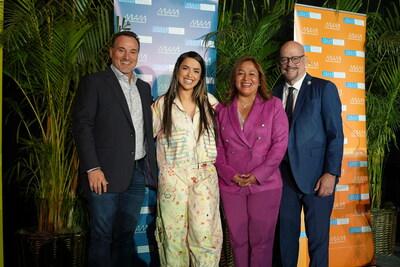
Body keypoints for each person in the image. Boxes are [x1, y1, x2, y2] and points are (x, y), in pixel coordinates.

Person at [73, 31, 157, 267]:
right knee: (101, 237)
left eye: (133, 51)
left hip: (137, 173)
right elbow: (83, 127)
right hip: (103, 175)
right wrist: (92, 168)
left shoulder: (143, 88)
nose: (127, 56)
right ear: (111, 52)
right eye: (121, 50)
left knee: (125, 236)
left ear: (138, 55)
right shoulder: (94, 82)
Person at [273, 41, 344, 267]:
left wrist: (331, 173)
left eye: (295, 58)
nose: (290, 64)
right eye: (284, 59)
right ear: (279, 64)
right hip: (283, 179)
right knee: (285, 242)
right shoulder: (273, 94)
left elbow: (336, 135)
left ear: (304, 60)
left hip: (317, 178)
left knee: (318, 241)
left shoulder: (324, 88)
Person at [215, 56, 289, 267]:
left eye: (252, 73)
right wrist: (229, 174)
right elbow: (217, 148)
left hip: (265, 185)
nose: (246, 78)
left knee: (262, 243)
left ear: (259, 79)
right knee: (238, 241)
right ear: (234, 78)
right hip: (231, 184)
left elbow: (279, 146)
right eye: (240, 73)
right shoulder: (222, 109)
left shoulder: (273, 105)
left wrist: (257, 175)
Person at [152, 51, 223, 266]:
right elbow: (142, 138)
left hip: (204, 177)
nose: (190, 74)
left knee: (205, 236)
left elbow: (228, 137)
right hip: (173, 178)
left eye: (196, 70)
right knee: (173, 240)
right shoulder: (162, 104)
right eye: (186, 68)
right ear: (177, 70)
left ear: (201, 76)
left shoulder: (211, 103)